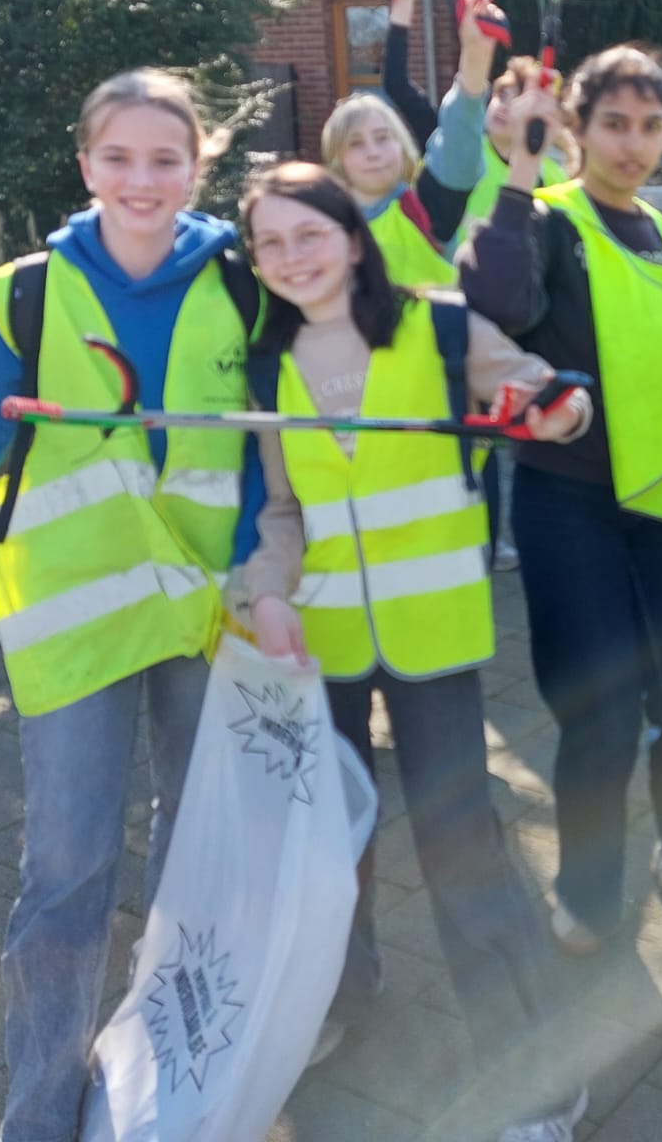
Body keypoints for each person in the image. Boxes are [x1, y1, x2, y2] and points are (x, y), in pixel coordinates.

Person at [0, 69, 261, 1142]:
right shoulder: (27, 295)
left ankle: (173, 1083)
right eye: (119, 158)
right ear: (84, 165)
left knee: (198, 859)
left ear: (199, 166)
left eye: (166, 159)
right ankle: (40, 1117)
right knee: (66, 878)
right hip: (79, 621)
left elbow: (278, 449)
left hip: (208, 614)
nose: (143, 180)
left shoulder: (244, 282)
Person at [235, 160, 593, 1140]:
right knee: (331, 842)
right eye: (269, 243)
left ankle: (535, 1071)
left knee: (458, 847)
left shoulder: (437, 329)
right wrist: (266, 594)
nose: (290, 257)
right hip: (330, 645)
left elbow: (539, 392)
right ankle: (343, 995)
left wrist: (553, 408)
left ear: (352, 238)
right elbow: (279, 512)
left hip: (432, 639)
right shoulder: (268, 370)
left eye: (308, 234)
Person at [459, 44, 662, 954]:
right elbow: (493, 299)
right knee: (599, 709)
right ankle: (589, 894)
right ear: (578, 131)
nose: (633, 145)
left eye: (649, 126)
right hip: (569, 505)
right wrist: (521, 164)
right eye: (613, 125)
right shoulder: (543, 221)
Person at [320, 0, 502, 288]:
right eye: (356, 144)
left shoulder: (422, 210)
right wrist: (400, 9)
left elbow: (459, 146)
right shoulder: (323, 228)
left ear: (402, 146)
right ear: (336, 161)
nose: (373, 152)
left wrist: (475, 55)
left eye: (382, 138)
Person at [451, 54, 572, 251]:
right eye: (501, 95)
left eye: (517, 100)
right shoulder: (463, 152)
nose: (503, 107)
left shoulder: (553, 178)